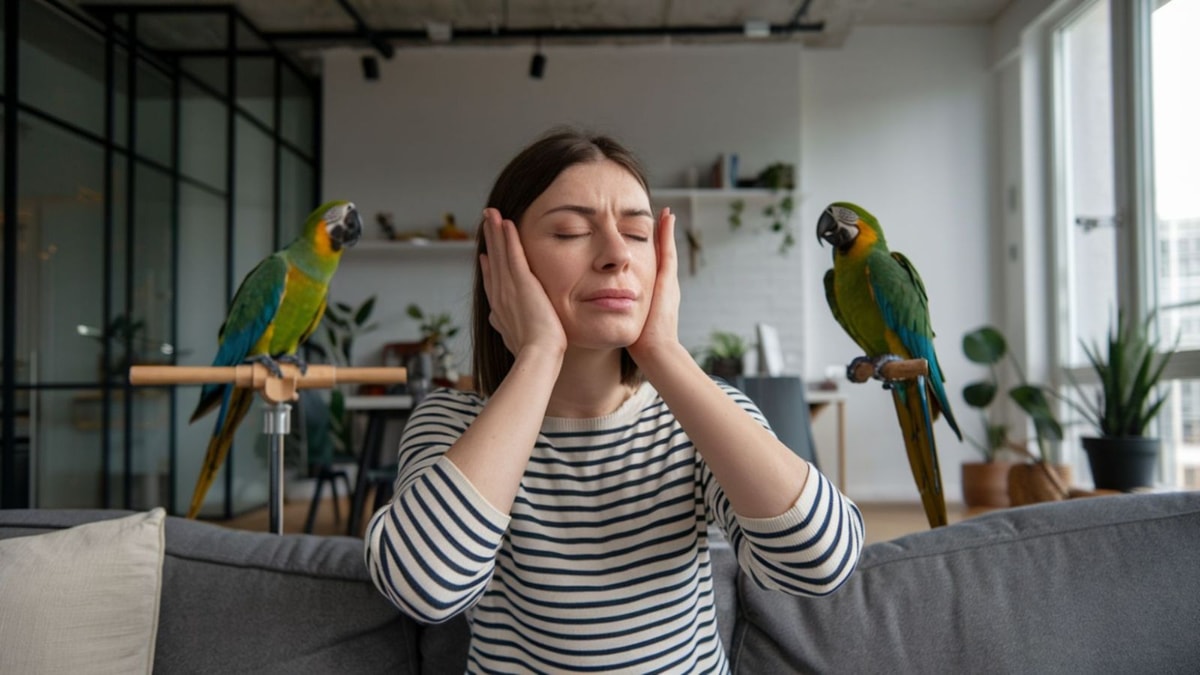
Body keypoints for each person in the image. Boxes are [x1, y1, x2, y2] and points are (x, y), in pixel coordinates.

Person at [364, 128, 863, 673]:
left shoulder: (700, 417)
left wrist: (663, 352)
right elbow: (422, 588)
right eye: (572, 230)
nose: (616, 255)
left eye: (636, 232)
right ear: (502, 266)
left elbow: (822, 566)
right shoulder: (450, 424)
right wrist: (538, 355)